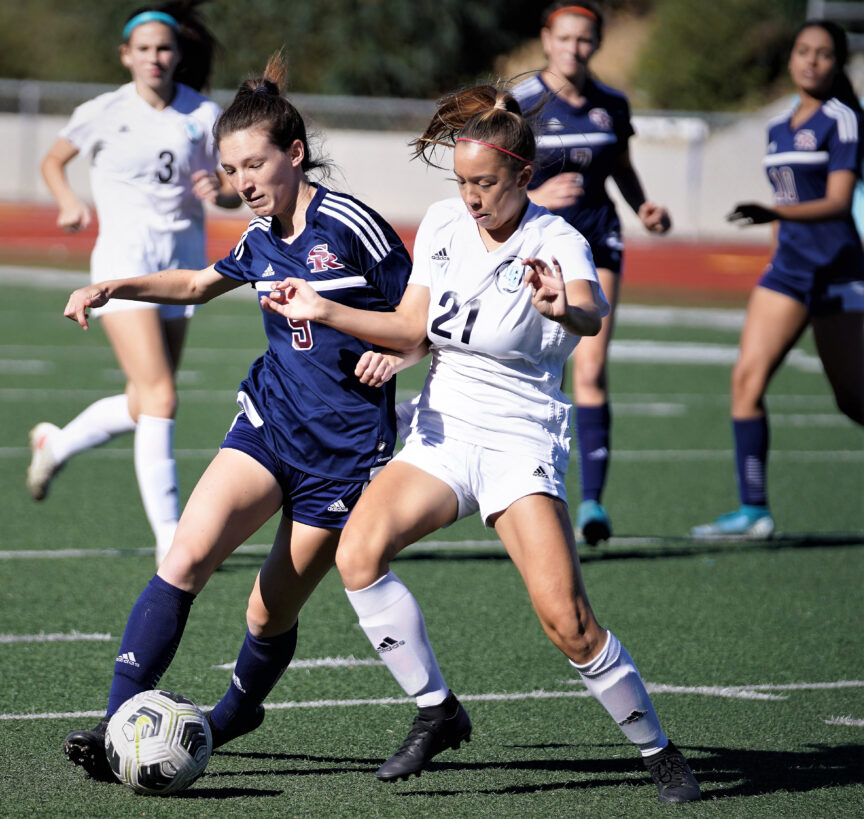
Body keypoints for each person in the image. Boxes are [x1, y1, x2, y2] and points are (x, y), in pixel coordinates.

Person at [261, 83, 701, 803]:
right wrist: (324, 309)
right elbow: (410, 330)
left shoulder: (555, 240)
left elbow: (591, 308)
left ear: (523, 177)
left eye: (486, 183)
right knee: (358, 551)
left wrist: (567, 306)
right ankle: (438, 710)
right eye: (462, 181)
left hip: (517, 439)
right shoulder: (439, 222)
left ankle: (657, 749)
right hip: (442, 430)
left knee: (569, 622)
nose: (470, 197)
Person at [59, 51, 414, 783]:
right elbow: (195, 280)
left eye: (255, 165)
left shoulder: (352, 225)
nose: (243, 182)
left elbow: (426, 311)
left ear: (295, 153)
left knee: (265, 613)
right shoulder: (257, 238)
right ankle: (114, 724)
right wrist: (114, 283)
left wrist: (403, 357)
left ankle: (237, 709)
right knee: (185, 558)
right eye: (231, 170)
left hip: (344, 454)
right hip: (269, 425)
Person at [29, 2, 241, 565]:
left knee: (145, 399)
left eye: (164, 48)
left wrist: (218, 192)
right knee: (163, 396)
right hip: (121, 265)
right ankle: (171, 539)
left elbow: (232, 185)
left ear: (178, 55)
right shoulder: (102, 111)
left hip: (182, 268)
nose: (155, 57)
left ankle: (57, 442)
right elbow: (54, 161)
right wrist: (69, 200)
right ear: (126, 55)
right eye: (144, 48)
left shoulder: (204, 113)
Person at [692, 19, 864, 539]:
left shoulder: (845, 120)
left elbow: (837, 202)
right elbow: (787, 204)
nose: (812, 61)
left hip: (838, 273)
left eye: (824, 54)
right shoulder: (777, 127)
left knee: (853, 400)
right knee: (746, 380)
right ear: (791, 59)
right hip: (788, 272)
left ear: (838, 64)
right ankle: (754, 511)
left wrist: (774, 213)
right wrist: (777, 234)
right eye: (803, 51)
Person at [511, 0, 671, 546]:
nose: (575, 49)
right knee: (532, 362)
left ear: (595, 44)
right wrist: (535, 194)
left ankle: (593, 505)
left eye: (585, 40)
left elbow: (621, 169)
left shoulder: (612, 104)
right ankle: (530, 488)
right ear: (546, 39)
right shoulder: (521, 102)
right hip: (535, 245)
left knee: (592, 362)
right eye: (565, 38)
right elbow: (490, 175)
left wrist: (644, 206)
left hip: (597, 242)